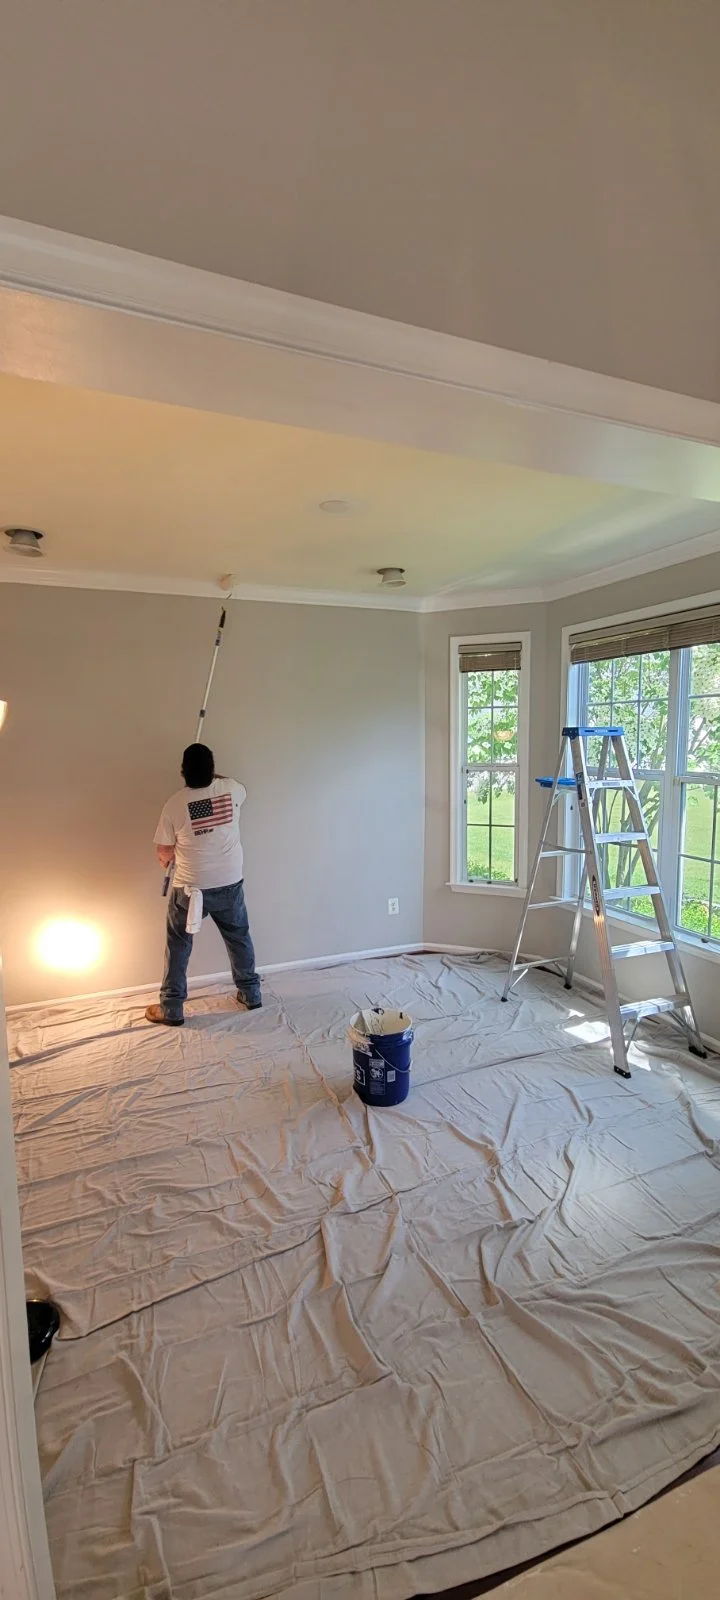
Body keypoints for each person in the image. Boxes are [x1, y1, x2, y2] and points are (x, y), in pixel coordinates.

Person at [145, 743, 261, 1025]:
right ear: (212, 768)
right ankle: (251, 993)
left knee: (178, 945)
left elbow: (164, 852)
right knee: (238, 937)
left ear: (183, 771)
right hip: (229, 881)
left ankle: (172, 1008)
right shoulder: (232, 789)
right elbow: (229, 782)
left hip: (189, 888)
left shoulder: (174, 804)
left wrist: (169, 856)